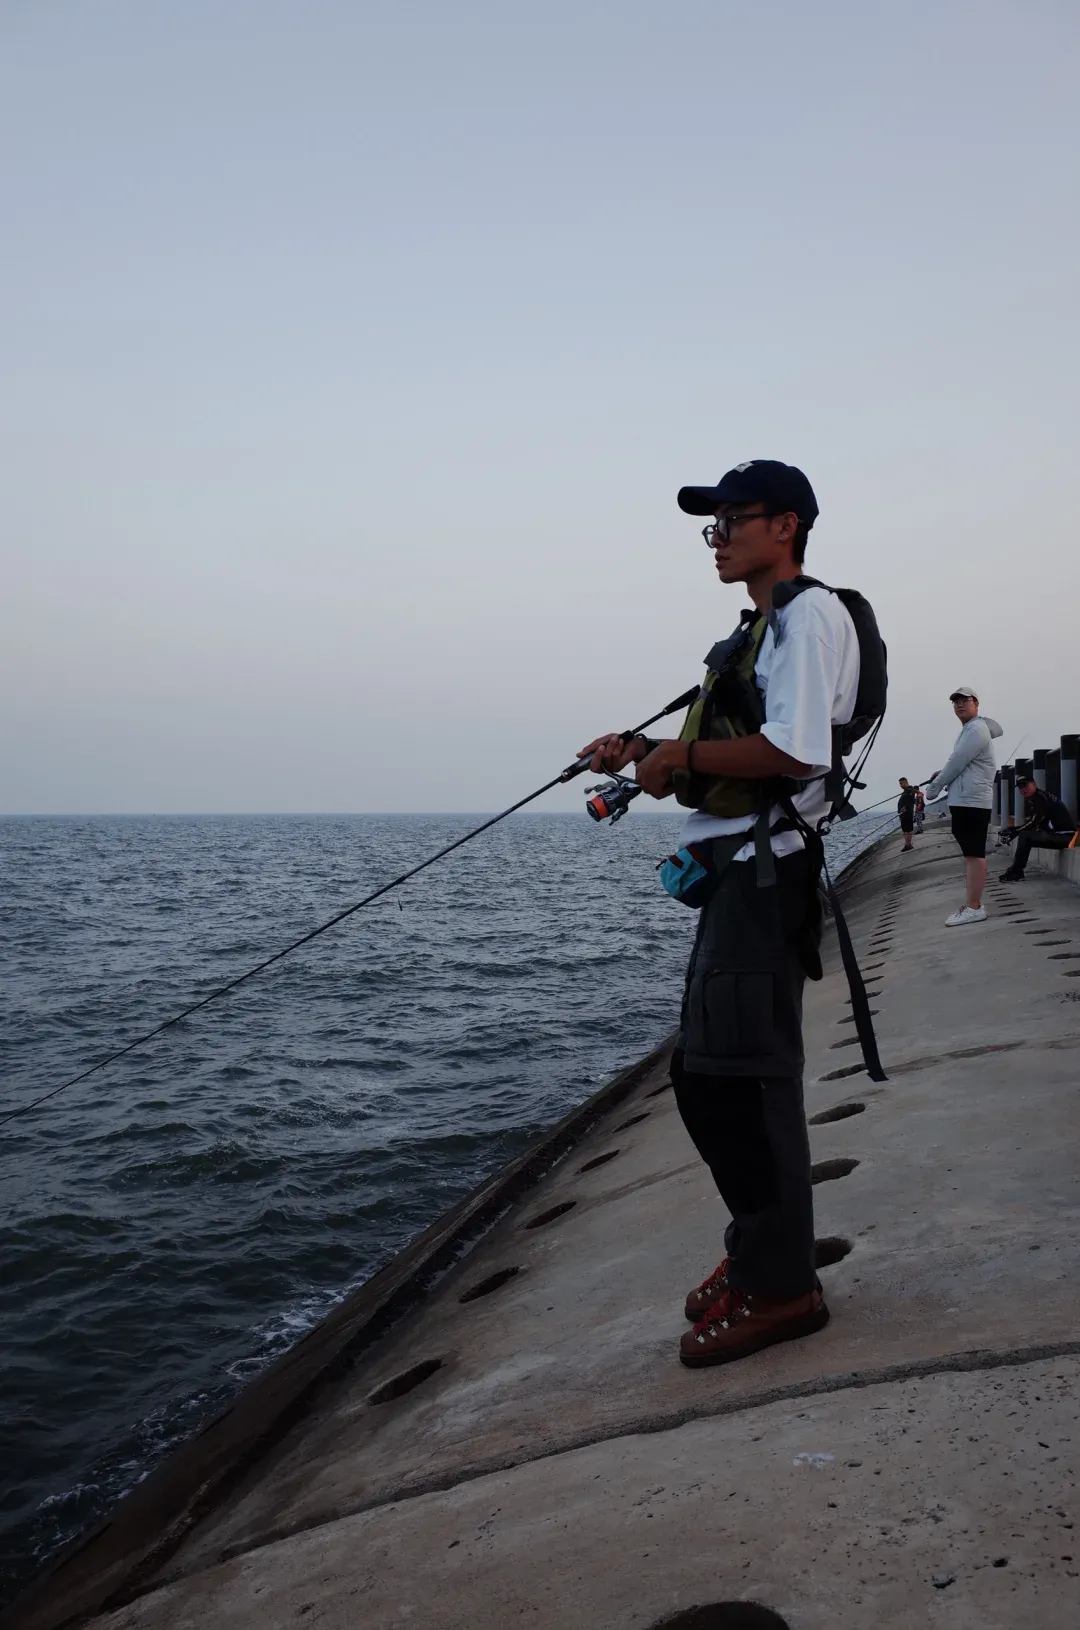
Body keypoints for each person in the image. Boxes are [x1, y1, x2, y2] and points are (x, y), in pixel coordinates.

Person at [580, 459, 870, 1368]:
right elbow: (738, 744)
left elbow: (793, 748)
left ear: (784, 527)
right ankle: (759, 1252)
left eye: (731, 521)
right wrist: (644, 753)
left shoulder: (807, 616)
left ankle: (782, 1289)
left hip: (763, 875)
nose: (719, 540)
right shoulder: (766, 630)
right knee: (712, 1077)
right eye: (712, 527)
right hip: (740, 875)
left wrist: (669, 754)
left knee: (742, 1082)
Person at [925, 687, 1002, 927]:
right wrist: (943, 776)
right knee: (971, 854)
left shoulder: (976, 729)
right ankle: (972, 905)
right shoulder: (970, 730)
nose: (959, 705)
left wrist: (934, 787)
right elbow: (964, 763)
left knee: (974, 854)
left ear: (976, 703)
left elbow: (956, 761)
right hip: (967, 800)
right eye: (955, 702)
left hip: (971, 802)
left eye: (964, 700)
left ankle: (974, 907)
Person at [1001, 775, 1076, 880]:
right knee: (1026, 835)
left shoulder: (1040, 798)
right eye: (1020, 787)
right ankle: (1016, 870)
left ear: (1034, 784)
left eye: (1025, 786)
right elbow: (1034, 822)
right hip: (1058, 835)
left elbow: (1034, 823)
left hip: (1064, 837)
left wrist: (1015, 831)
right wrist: (1013, 829)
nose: (1023, 790)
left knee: (1025, 836)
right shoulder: (1038, 797)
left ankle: (1016, 871)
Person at [897, 777, 916, 852]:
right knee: (904, 830)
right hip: (902, 815)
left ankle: (908, 845)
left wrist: (905, 808)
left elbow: (912, 800)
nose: (901, 785)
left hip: (907, 814)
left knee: (908, 829)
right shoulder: (905, 791)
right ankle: (907, 844)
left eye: (902, 783)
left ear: (906, 782)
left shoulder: (910, 790)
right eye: (900, 784)